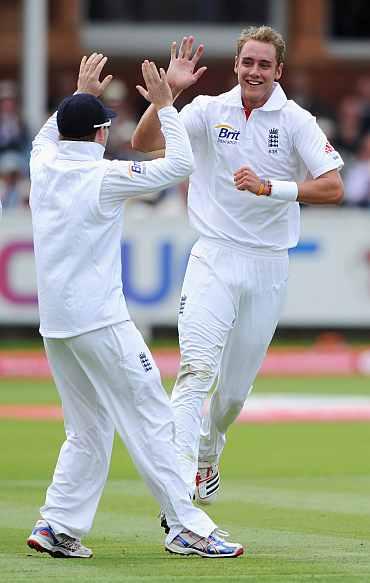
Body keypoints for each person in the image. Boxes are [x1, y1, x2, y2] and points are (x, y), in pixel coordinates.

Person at [26, 52, 243, 559]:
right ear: (101, 133)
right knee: (151, 416)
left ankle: (57, 524)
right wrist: (167, 104)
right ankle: (186, 524)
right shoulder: (102, 177)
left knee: (89, 427)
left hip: (57, 325)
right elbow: (182, 164)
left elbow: (46, 134)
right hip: (100, 321)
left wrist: (80, 97)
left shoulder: (43, 162)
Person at [132, 26, 344, 505]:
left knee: (230, 397)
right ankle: (178, 493)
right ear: (236, 65)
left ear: (278, 71)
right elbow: (144, 142)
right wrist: (170, 97)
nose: (254, 72)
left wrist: (273, 188)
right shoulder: (208, 110)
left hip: (267, 265)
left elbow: (332, 187)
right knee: (195, 370)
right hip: (213, 255)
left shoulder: (295, 120)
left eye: (264, 65)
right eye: (248, 62)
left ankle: (209, 450)